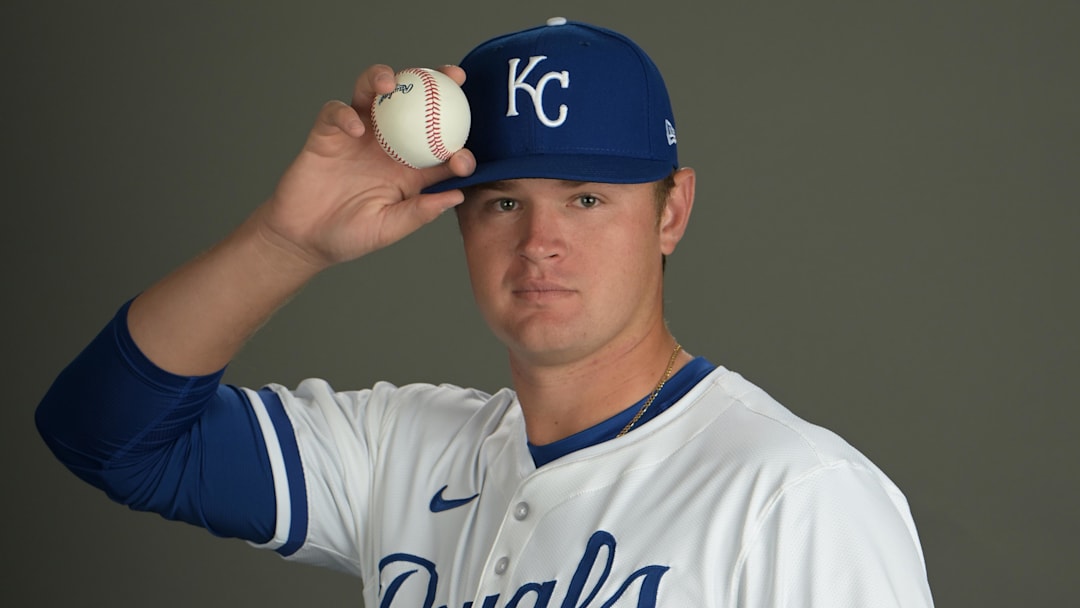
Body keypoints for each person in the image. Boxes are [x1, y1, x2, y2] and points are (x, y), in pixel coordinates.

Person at [35, 17, 934, 607]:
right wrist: (287, 242)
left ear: (672, 210)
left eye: (587, 199)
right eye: (505, 203)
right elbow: (108, 436)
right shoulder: (401, 450)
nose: (540, 241)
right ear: (459, 219)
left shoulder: (797, 497)